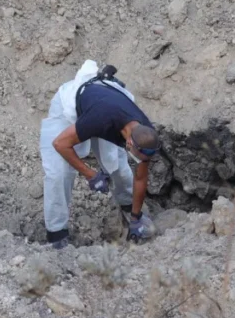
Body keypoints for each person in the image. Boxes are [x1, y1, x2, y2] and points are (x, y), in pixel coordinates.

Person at [39, 60, 161, 249]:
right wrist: (91, 174)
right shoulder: (101, 120)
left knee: (118, 167)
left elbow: (141, 176)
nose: (140, 161)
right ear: (129, 142)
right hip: (71, 105)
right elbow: (60, 144)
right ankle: (57, 235)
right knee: (58, 173)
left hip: (105, 102)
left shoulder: (145, 135)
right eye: (136, 155)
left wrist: (136, 217)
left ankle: (130, 210)